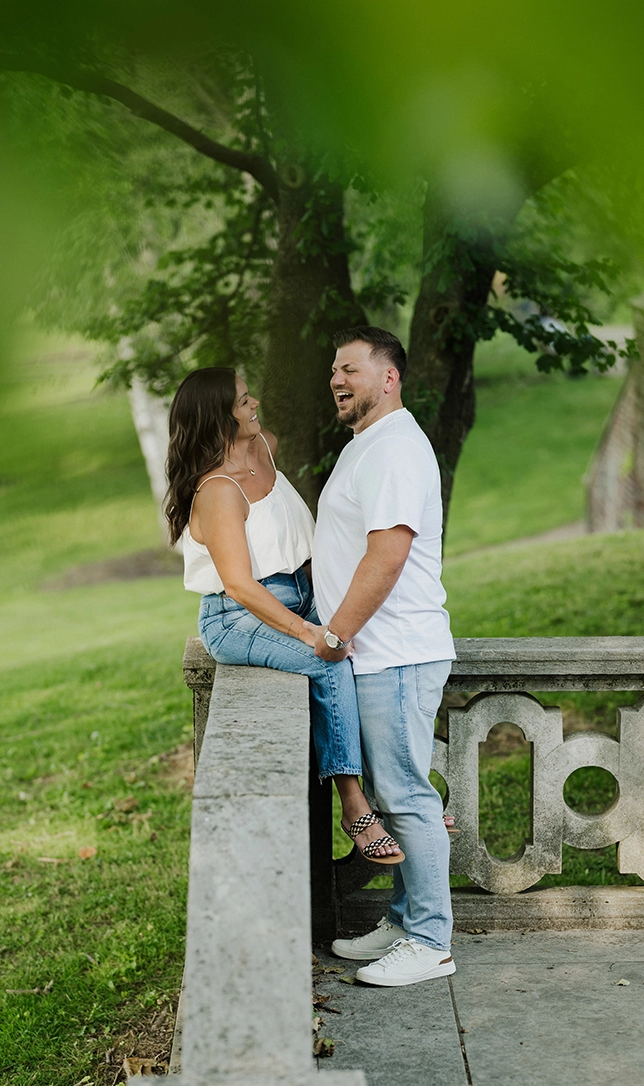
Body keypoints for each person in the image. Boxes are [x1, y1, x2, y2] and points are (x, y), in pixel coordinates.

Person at [167, 367, 396, 865]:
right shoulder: (218, 492)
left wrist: (332, 607)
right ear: (218, 418)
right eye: (244, 401)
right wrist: (312, 631)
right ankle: (355, 802)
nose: (255, 404)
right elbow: (242, 586)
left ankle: (398, 788)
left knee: (369, 642)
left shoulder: (263, 446)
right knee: (328, 660)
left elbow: (297, 538)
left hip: (303, 587)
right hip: (238, 616)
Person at [317, 327, 458, 987]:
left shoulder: (396, 447)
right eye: (333, 373)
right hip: (378, 655)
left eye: (350, 368)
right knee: (397, 793)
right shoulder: (368, 446)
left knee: (405, 795)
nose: (337, 380)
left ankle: (430, 942)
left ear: (389, 376)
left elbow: (388, 553)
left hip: (394, 652)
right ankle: (404, 921)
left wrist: (333, 634)